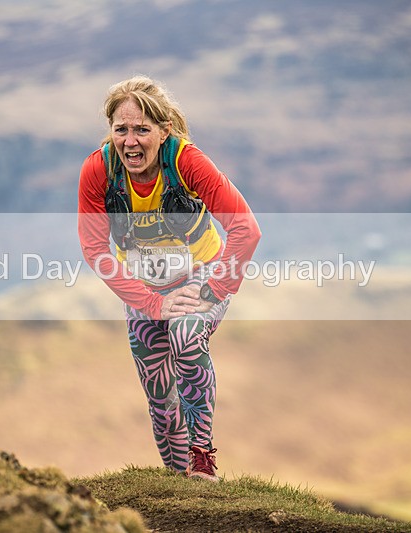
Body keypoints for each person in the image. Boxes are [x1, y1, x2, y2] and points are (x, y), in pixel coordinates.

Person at [78, 75, 261, 482]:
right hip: (145, 289)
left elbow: (247, 230)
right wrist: (151, 301)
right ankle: (180, 482)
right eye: (121, 129)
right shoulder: (97, 170)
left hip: (202, 274)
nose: (130, 141)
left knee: (185, 335)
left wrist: (213, 288)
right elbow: (95, 250)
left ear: (164, 131)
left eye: (142, 129)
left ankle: (201, 458)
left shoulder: (187, 162)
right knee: (159, 392)